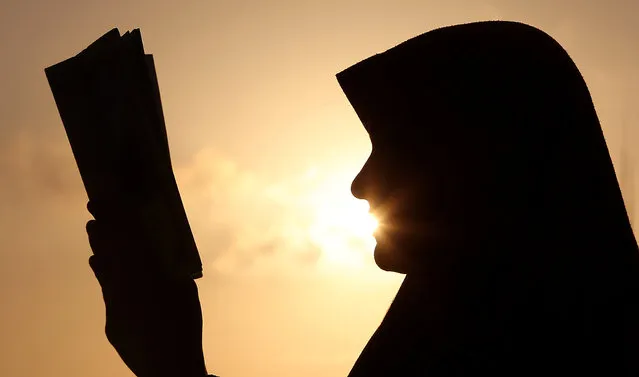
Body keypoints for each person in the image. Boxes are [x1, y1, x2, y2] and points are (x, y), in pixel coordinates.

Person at [85, 21, 639, 377]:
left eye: (395, 147)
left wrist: (173, 363)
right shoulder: (439, 328)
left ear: (478, 162)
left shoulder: (493, 352)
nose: (359, 184)